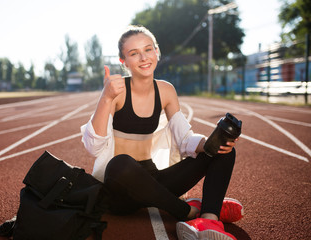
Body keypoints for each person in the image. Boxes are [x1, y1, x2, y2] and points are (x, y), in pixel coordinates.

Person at [81, 25, 243, 240]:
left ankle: (209, 218)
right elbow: (94, 147)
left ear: (157, 51)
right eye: (133, 53)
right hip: (121, 190)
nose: (143, 57)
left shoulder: (166, 91)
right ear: (123, 61)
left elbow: (184, 138)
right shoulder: (116, 92)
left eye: (148, 49)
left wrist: (212, 143)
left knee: (224, 151)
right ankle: (186, 212)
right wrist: (106, 98)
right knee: (121, 163)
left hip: (155, 181)